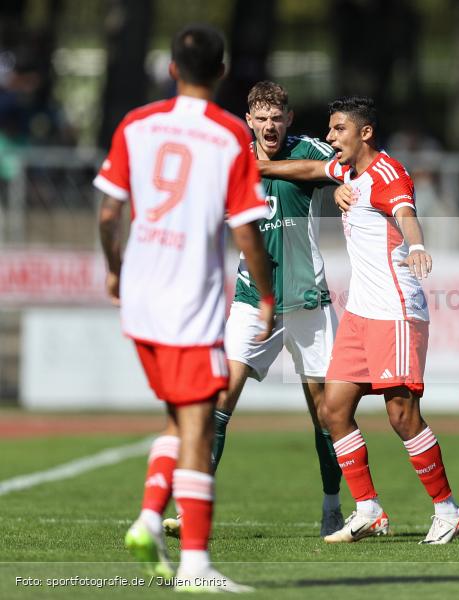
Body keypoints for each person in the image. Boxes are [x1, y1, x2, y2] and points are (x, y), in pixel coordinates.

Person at [95, 24, 272, 591]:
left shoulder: (136, 124)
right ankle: (194, 565)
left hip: (141, 299)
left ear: (172, 69)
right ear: (221, 73)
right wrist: (267, 295)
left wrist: (116, 267)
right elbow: (247, 232)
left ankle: (151, 517)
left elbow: (106, 214)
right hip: (188, 303)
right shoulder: (227, 136)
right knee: (199, 426)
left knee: (181, 415)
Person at [161, 80, 345, 541]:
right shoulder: (229, 160)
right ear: (249, 120)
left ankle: (332, 505)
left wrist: (340, 186)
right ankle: (191, 508)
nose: (269, 125)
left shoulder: (311, 149)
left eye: (277, 118)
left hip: (307, 300)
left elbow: (347, 165)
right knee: (220, 398)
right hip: (251, 299)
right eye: (261, 118)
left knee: (326, 411)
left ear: (288, 120)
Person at [317, 96, 459, 544]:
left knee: (402, 416)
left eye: (338, 129)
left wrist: (417, 245)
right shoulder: (345, 171)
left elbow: (405, 213)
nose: (330, 138)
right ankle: (368, 510)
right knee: (333, 410)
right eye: (329, 129)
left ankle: (447, 510)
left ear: (364, 132)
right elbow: (306, 168)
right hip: (360, 314)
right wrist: (333, 185)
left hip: (395, 311)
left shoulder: (389, 172)